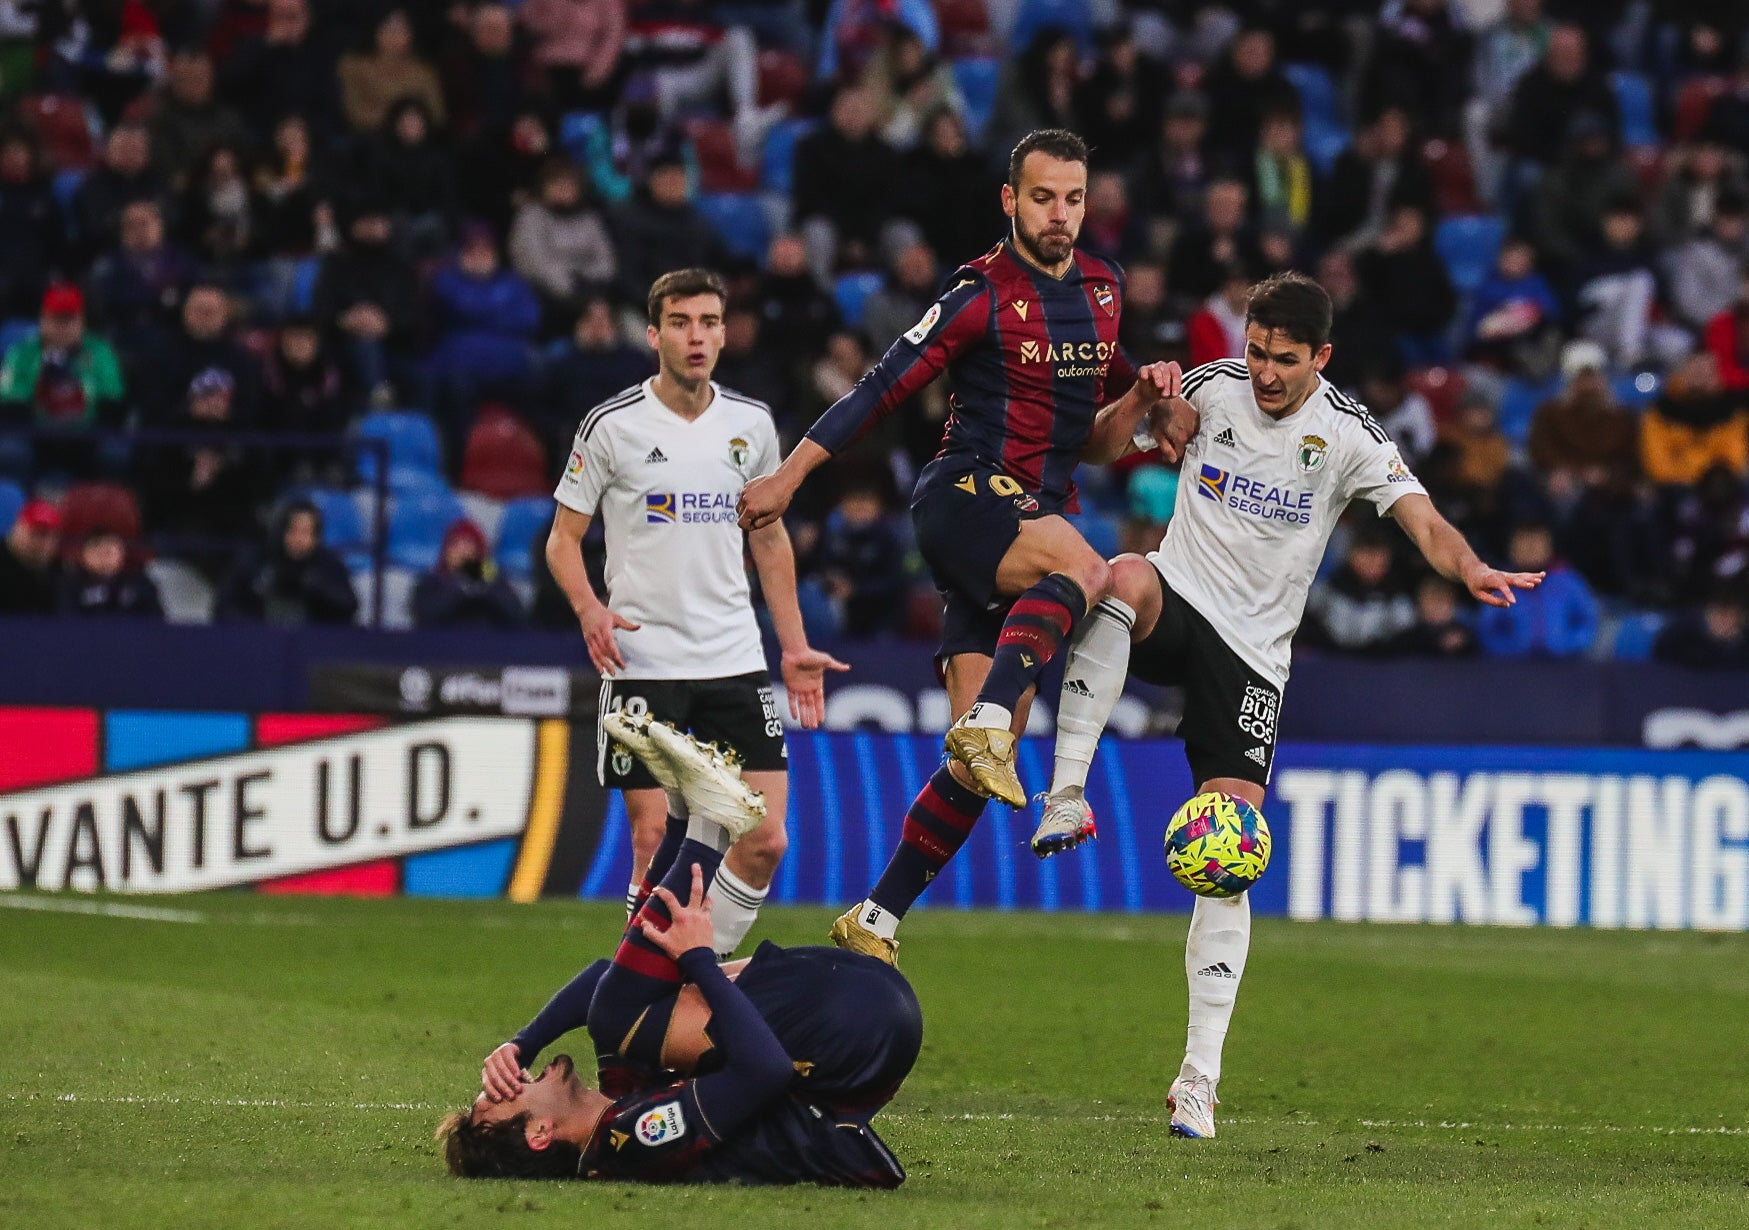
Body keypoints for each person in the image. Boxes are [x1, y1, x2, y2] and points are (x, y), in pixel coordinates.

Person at [1034, 273, 1543, 1139]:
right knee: (1119, 576)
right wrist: (1138, 397)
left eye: (1284, 360)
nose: (1264, 373)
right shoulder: (1208, 387)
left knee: (1227, 857)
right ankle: (1066, 792)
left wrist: (1470, 570)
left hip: (1252, 656)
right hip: (1179, 594)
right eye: (1256, 351)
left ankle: (1198, 1077)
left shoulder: (1345, 434)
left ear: (1321, 358)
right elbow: (1096, 449)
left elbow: (1421, 521)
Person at [735, 129, 1192, 963]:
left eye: (1075, 199)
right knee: (1089, 569)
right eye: (1044, 197)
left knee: (984, 768)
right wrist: (789, 478)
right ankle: (984, 720)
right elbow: (878, 389)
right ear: (1010, 200)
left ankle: (874, 916)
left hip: (1027, 522)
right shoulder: (978, 292)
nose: (1060, 215)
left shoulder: (1101, 289)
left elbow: (1089, 442)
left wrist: (1144, 397)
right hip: (965, 496)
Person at [438, 722, 919, 1186]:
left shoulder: (617, 1109)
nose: (504, 1081)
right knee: (624, 1011)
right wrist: (699, 960)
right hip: (853, 1032)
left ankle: (685, 817)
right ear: (539, 1134)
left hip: (862, 1018)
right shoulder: (634, 1140)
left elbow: (604, 978)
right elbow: (765, 1070)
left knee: (622, 1008)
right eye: (492, 1102)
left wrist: (522, 1042)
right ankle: (708, 825)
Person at [546, 267, 846, 959]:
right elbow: (561, 541)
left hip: (733, 659)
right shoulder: (611, 426)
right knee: (654, 843)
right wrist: (590, 608)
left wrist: (794, 646)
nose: (697, 336)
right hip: (642, 664)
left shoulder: (751, 425)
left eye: (709, 322)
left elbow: (768, 540)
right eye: (681, 323)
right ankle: (636, 1016)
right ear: (653, 335)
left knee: (765, 839)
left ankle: (680, 976)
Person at [214, 499, 358, 625]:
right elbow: (224, 607)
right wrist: (255, 628)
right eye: (293, 531)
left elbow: (348, 607)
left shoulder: (328, 565)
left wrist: (318, 588)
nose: (300, 540)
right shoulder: (256, 559)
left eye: (307, 532)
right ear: (280, 530)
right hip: (257, 645)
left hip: (310, 648)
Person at [412, 519, 526, 630]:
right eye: (455, 545)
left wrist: (485, 588)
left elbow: (516, 616)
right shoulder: (431, 581)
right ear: (445, 552)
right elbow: (425, 616)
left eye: (469, 545)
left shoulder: (495, 580)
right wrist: (462, 589)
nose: (462, 552)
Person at [58, 529, 162, 619]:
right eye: (96, 546)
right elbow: (67, 625)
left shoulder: (141, 583)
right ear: (84, 555)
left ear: (122, 552)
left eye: (110, 547)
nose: (104, 553)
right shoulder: (71, 586)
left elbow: (157, 624)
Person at [0, 499, 62, 614]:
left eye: (48, 535)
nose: (41, 543)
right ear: (17, 529)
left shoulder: (59, 570)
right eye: (35, 534)